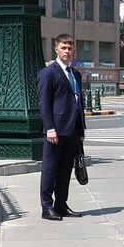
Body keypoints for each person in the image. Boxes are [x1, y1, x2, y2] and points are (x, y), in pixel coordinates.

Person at [37, 34, 86, 221]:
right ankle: (47, 207)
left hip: (72, 130)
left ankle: (61, 205)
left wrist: (81, 129)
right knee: (50, 169)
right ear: (56, 49)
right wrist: (49, 128)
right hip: (55, 131)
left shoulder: (76, 74)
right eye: (63, 48)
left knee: (65, 170)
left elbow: (78, 102)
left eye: (70, 48)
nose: (67, 51)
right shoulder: (48, 73)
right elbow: (44, 103)